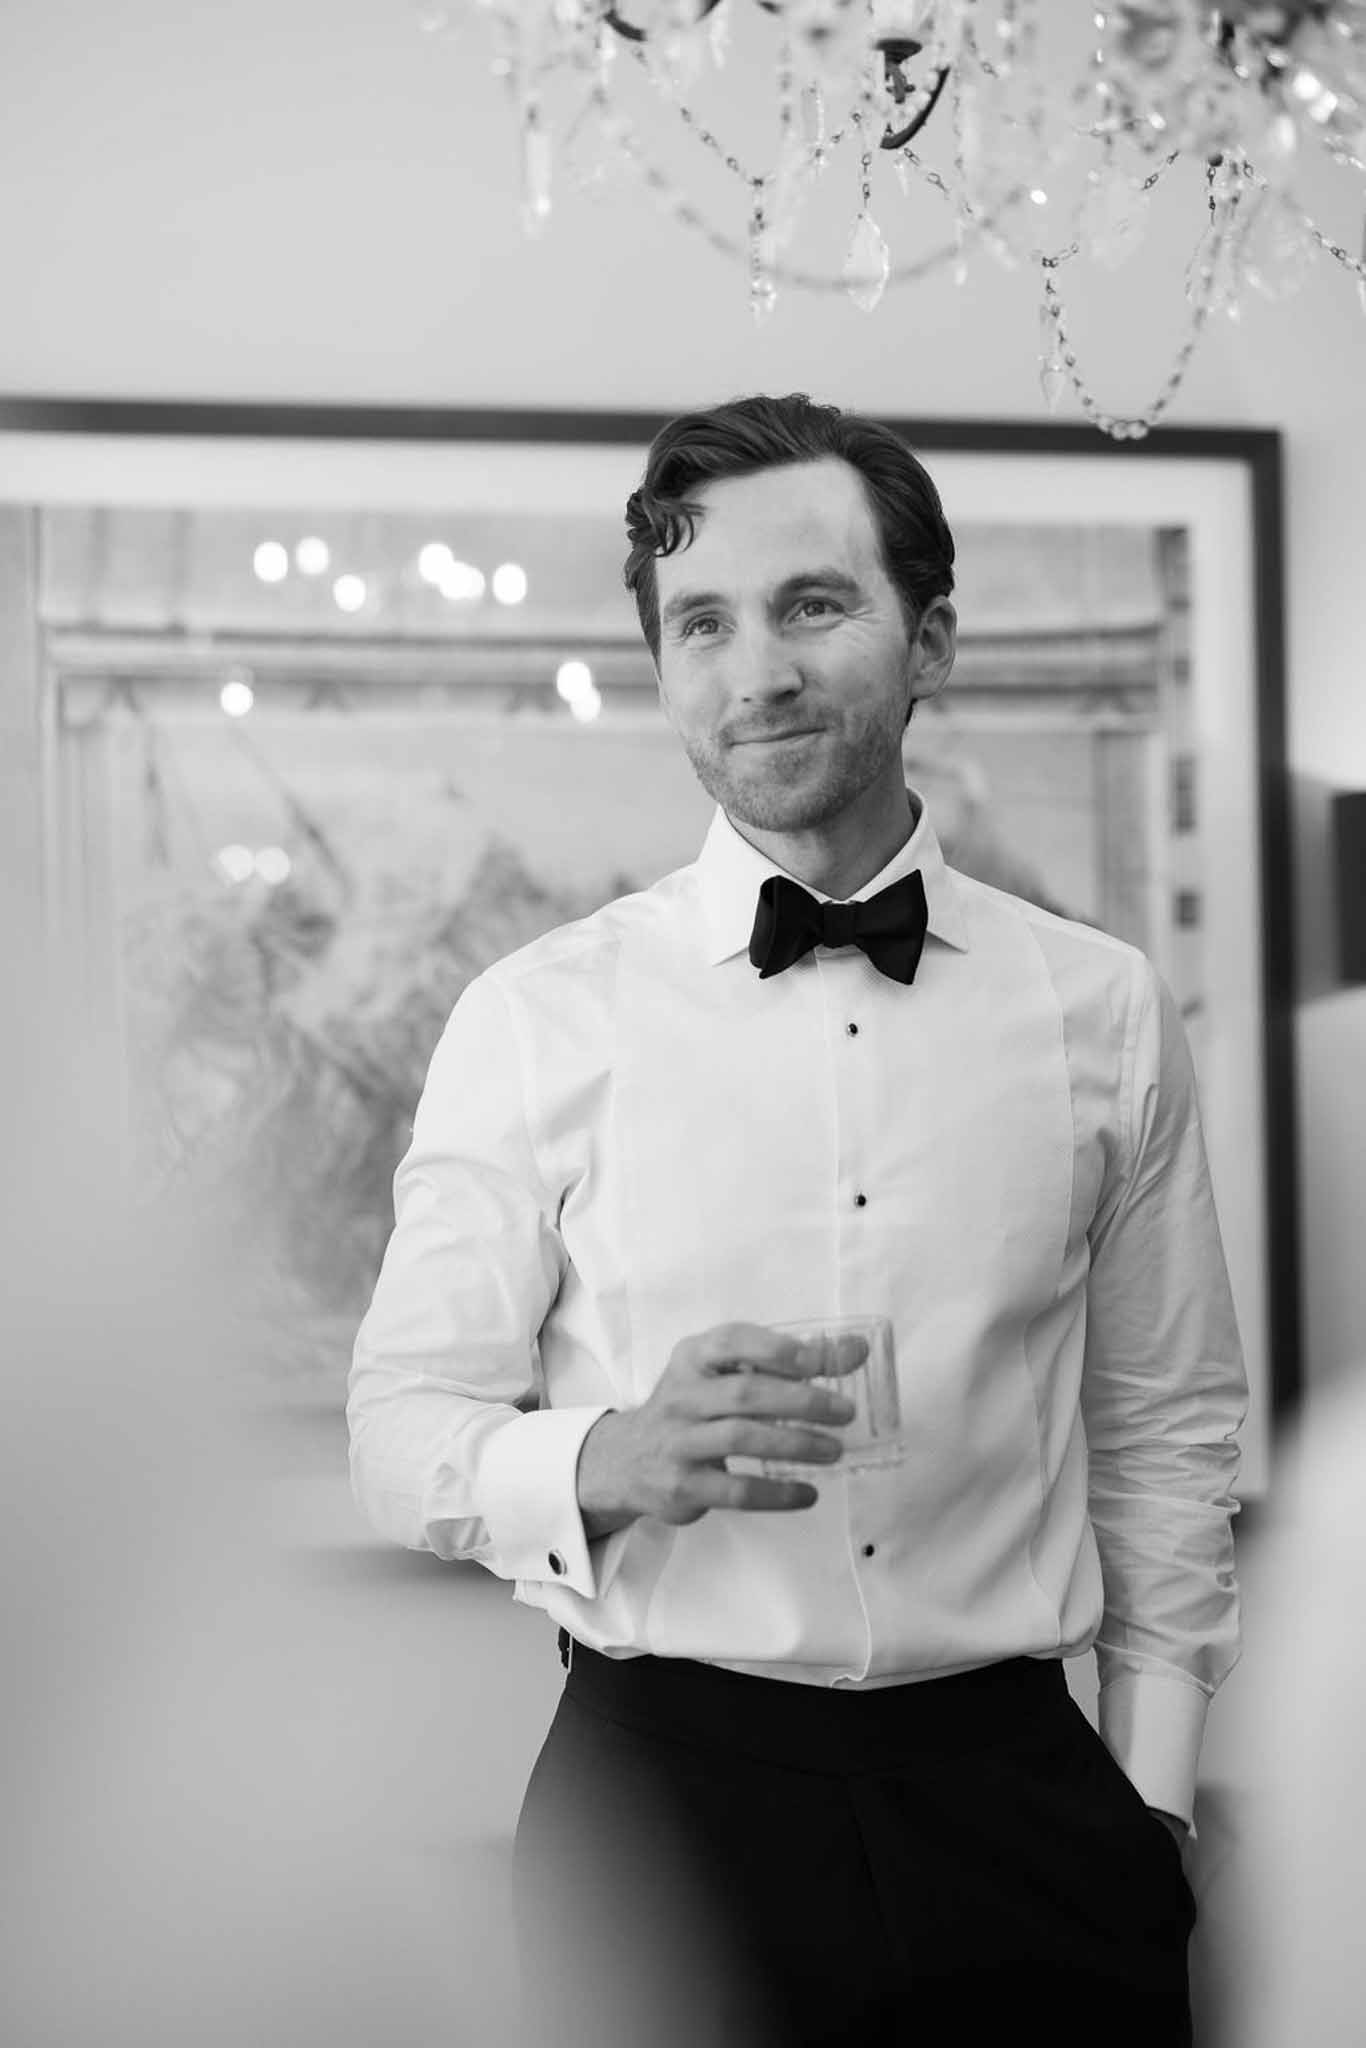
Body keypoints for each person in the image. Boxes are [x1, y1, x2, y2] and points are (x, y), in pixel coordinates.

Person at [346, 393, 1249, 2046]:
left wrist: (1154, 1801)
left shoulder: (1102, 1008)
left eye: (811, 605)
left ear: (930, 641)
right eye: (701, 622)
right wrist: (600, 1459)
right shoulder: (536, 1016)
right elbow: (399, 1430)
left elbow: (1165, 1431)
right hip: (660, 1826)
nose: (751, 670)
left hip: (1032, 1810)